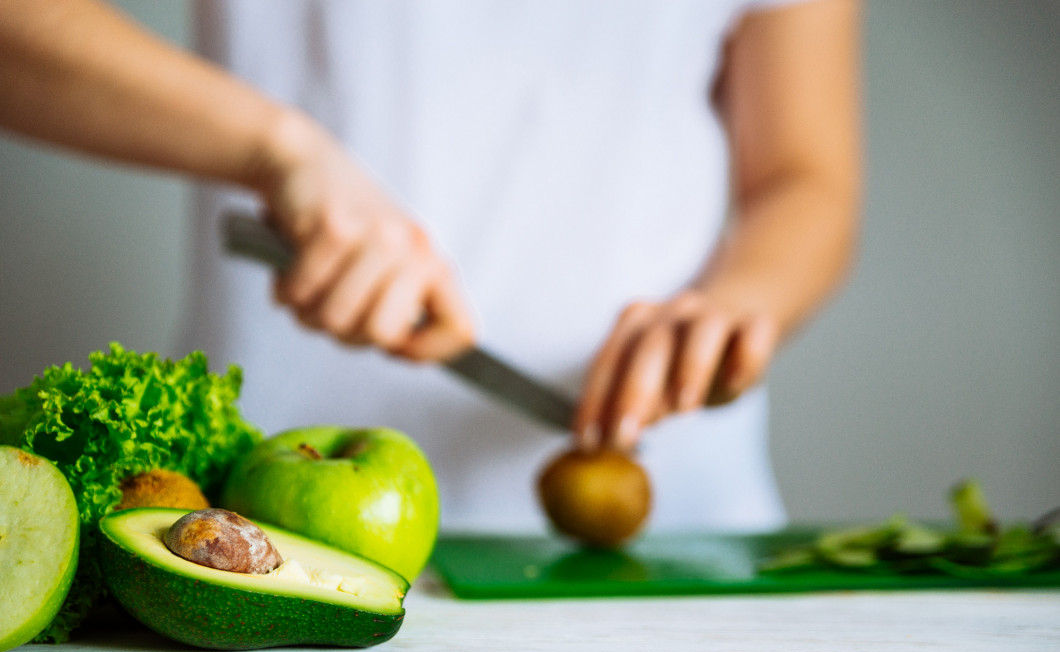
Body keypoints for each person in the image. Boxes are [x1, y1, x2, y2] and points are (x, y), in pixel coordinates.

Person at [0, 0, 860, 532]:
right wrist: (279, 151)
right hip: (271, 520)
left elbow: (804, 177)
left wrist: (736, 304)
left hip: (678, 514)